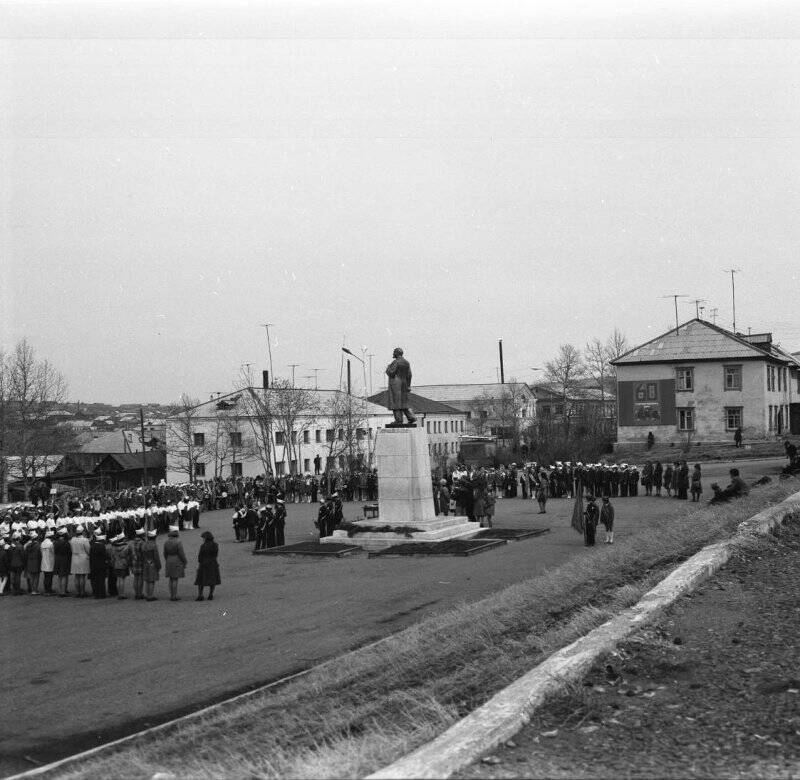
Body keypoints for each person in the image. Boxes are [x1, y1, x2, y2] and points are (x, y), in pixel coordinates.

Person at [385, 347, 416, 426]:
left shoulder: (396, 362)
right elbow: (409, 375)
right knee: (404, 403)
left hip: (396, 385)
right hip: (404, 384)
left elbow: (391, 373)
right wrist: (408, 385)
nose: (393, 354)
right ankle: (411, 417)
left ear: (397, 353)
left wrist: (388, 368)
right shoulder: (406, 363)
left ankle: (399, 420)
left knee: (396, 403)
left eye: (394, 352)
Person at [163, 525, 187, 601]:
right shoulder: (178, 541)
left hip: (169, 559)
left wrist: (167, 559)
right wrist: (184, 561)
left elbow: (165, 553)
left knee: (170, 578)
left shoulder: (166, 542)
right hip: (176, 560)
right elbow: (181, 553)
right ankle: (174, 595)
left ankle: (171, 594)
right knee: (175, 579)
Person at [195, 531, 221, 601]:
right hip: (213, 563)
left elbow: (200, 557)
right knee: (213, 579)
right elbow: (216, 555)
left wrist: (200, 562)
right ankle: (210, 594)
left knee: (201, 580)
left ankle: (200, 594)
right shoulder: (215, 545)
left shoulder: (203, 546)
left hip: (204, 563)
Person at [69, 525, 91, 598]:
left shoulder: (72, 539)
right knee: (82, 576)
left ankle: (77, 592)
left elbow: (71, 549)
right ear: (82, 532)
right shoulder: (85, 540)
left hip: (75, 557)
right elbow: (88, 550)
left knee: (77, 576)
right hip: (83, 558)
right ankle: (82, 592)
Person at [141, 528, 162, 601]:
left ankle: (147, 594)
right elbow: (156, 556)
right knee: (152, 581)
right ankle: (151, 595)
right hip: (152, 563)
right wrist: (159, 565)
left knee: (147, 580)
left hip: (145, 562)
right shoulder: (154, 545)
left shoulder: (144, 544)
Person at [110, 532, 132, 599]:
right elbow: (128, 556)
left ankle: (119, 593)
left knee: (118, 579)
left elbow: (112, 557)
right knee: (122, 579)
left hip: (116, 564)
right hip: (123, 564)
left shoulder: (113, 547)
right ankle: (122, 594)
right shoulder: (126, 546)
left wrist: (113, 563)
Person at [89, 530, 108, 599]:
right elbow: (105, 556)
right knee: (101, 580)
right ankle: (102, 594)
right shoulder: (102, 547)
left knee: (95, 580)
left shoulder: (92, 546)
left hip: (93, 565)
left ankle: (96, 593)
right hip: (101, 565)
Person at [53, 527, 72, 596]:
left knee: (60, 576)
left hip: (58, 559)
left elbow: (54, 551)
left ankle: (60, 590)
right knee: (64, 576)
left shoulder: (56, 543)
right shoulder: (67, 543)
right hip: (65, 559)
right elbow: (69, 552)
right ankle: (63, 591)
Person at [131, 527, 146, 600]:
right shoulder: (142, 542)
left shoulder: (133, 542)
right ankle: (140, 593)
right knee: (140, 578)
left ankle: (136, 593)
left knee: (135, 578)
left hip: (134, 561)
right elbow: (143, 552)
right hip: (140, 561)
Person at [40, 529, 55, 595]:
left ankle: (47, 589)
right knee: (49, 577)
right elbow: (53, 552)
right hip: (50, 561)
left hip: (44, 561)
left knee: (46, 576)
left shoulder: (42, 543)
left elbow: (41, 552)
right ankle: (48, 590)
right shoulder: (51, 544)